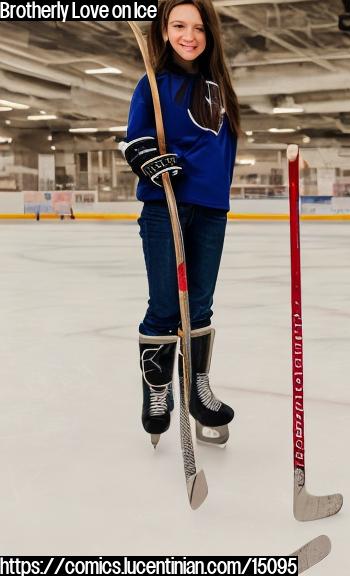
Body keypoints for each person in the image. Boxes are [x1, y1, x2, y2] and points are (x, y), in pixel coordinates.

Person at [121, 0, 240, 448]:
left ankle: (197, 388)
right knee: (167, 306)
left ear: (209, 33)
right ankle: (157, 389)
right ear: (164, 31)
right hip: (165, 206)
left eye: (198, 27)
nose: (189, 35)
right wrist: (145, 156)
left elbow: (219, 151)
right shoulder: (153, 84)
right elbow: (136, 138)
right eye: (178, 26)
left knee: (201, 305)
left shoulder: (220, 87)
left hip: (211, 209)